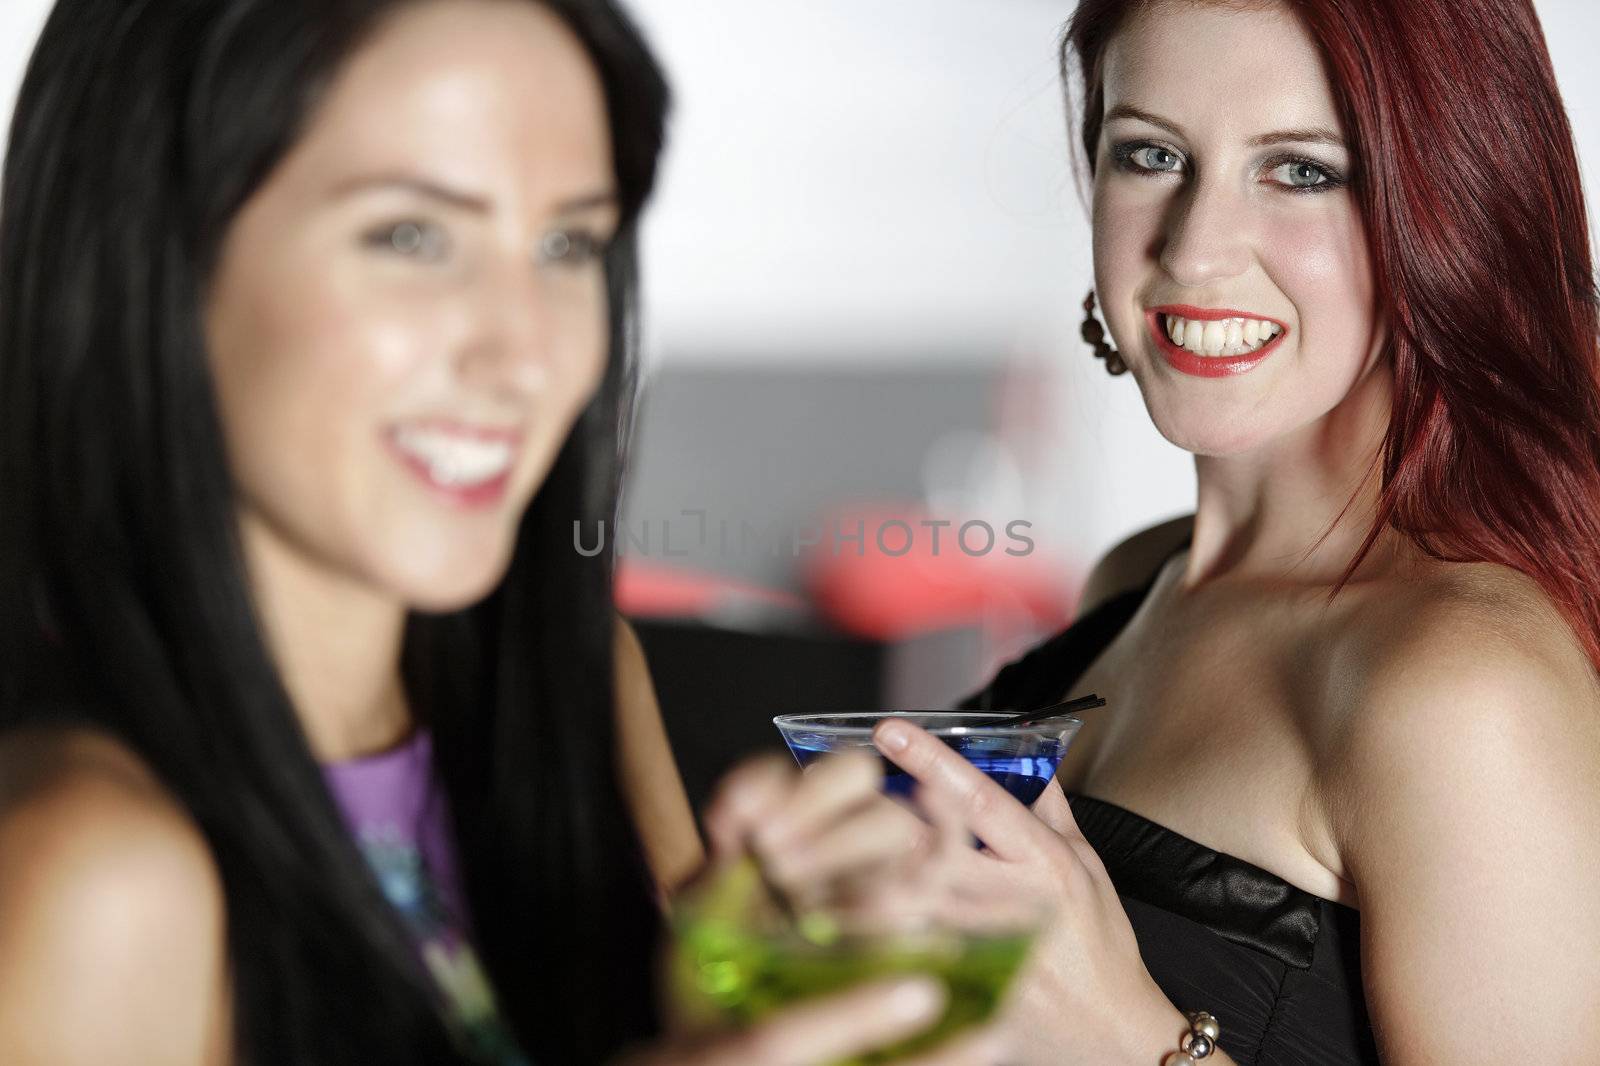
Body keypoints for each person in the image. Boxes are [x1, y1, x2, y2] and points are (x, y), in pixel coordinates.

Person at [0, 2, 1000, 1064]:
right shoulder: (92, 873)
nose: (526, 354)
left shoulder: (574, 688)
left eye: (568, 241)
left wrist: (725, 1000)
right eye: (412, 234)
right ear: (153, 251)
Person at [857, 0, 1600, 1062]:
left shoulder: (1460, 688)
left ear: (1452, 203)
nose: (1195, 254)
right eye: (1150, 152)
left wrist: (1131, 1036)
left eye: (1300, 169)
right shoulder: (1141, 577)